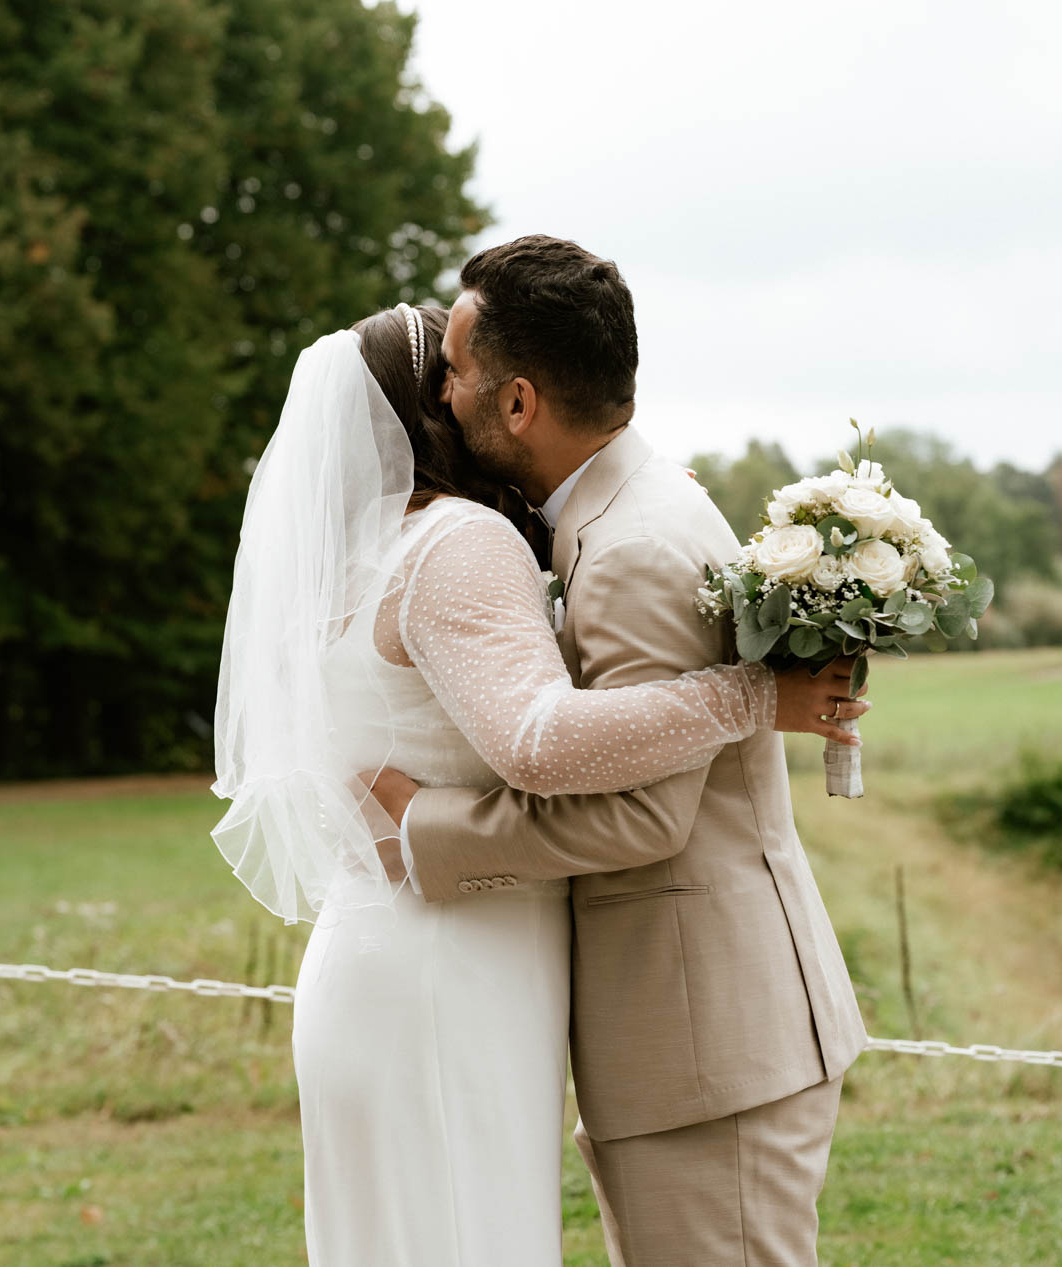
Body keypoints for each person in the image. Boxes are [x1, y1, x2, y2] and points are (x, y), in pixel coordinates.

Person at [210, 296, 864, 1266]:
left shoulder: (347, 563)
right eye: (454, 376)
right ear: (435, 409)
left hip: (377, 954)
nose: (468, 393)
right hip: (453, 967)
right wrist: (749, 698)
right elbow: (536, 736)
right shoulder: (459, 544)